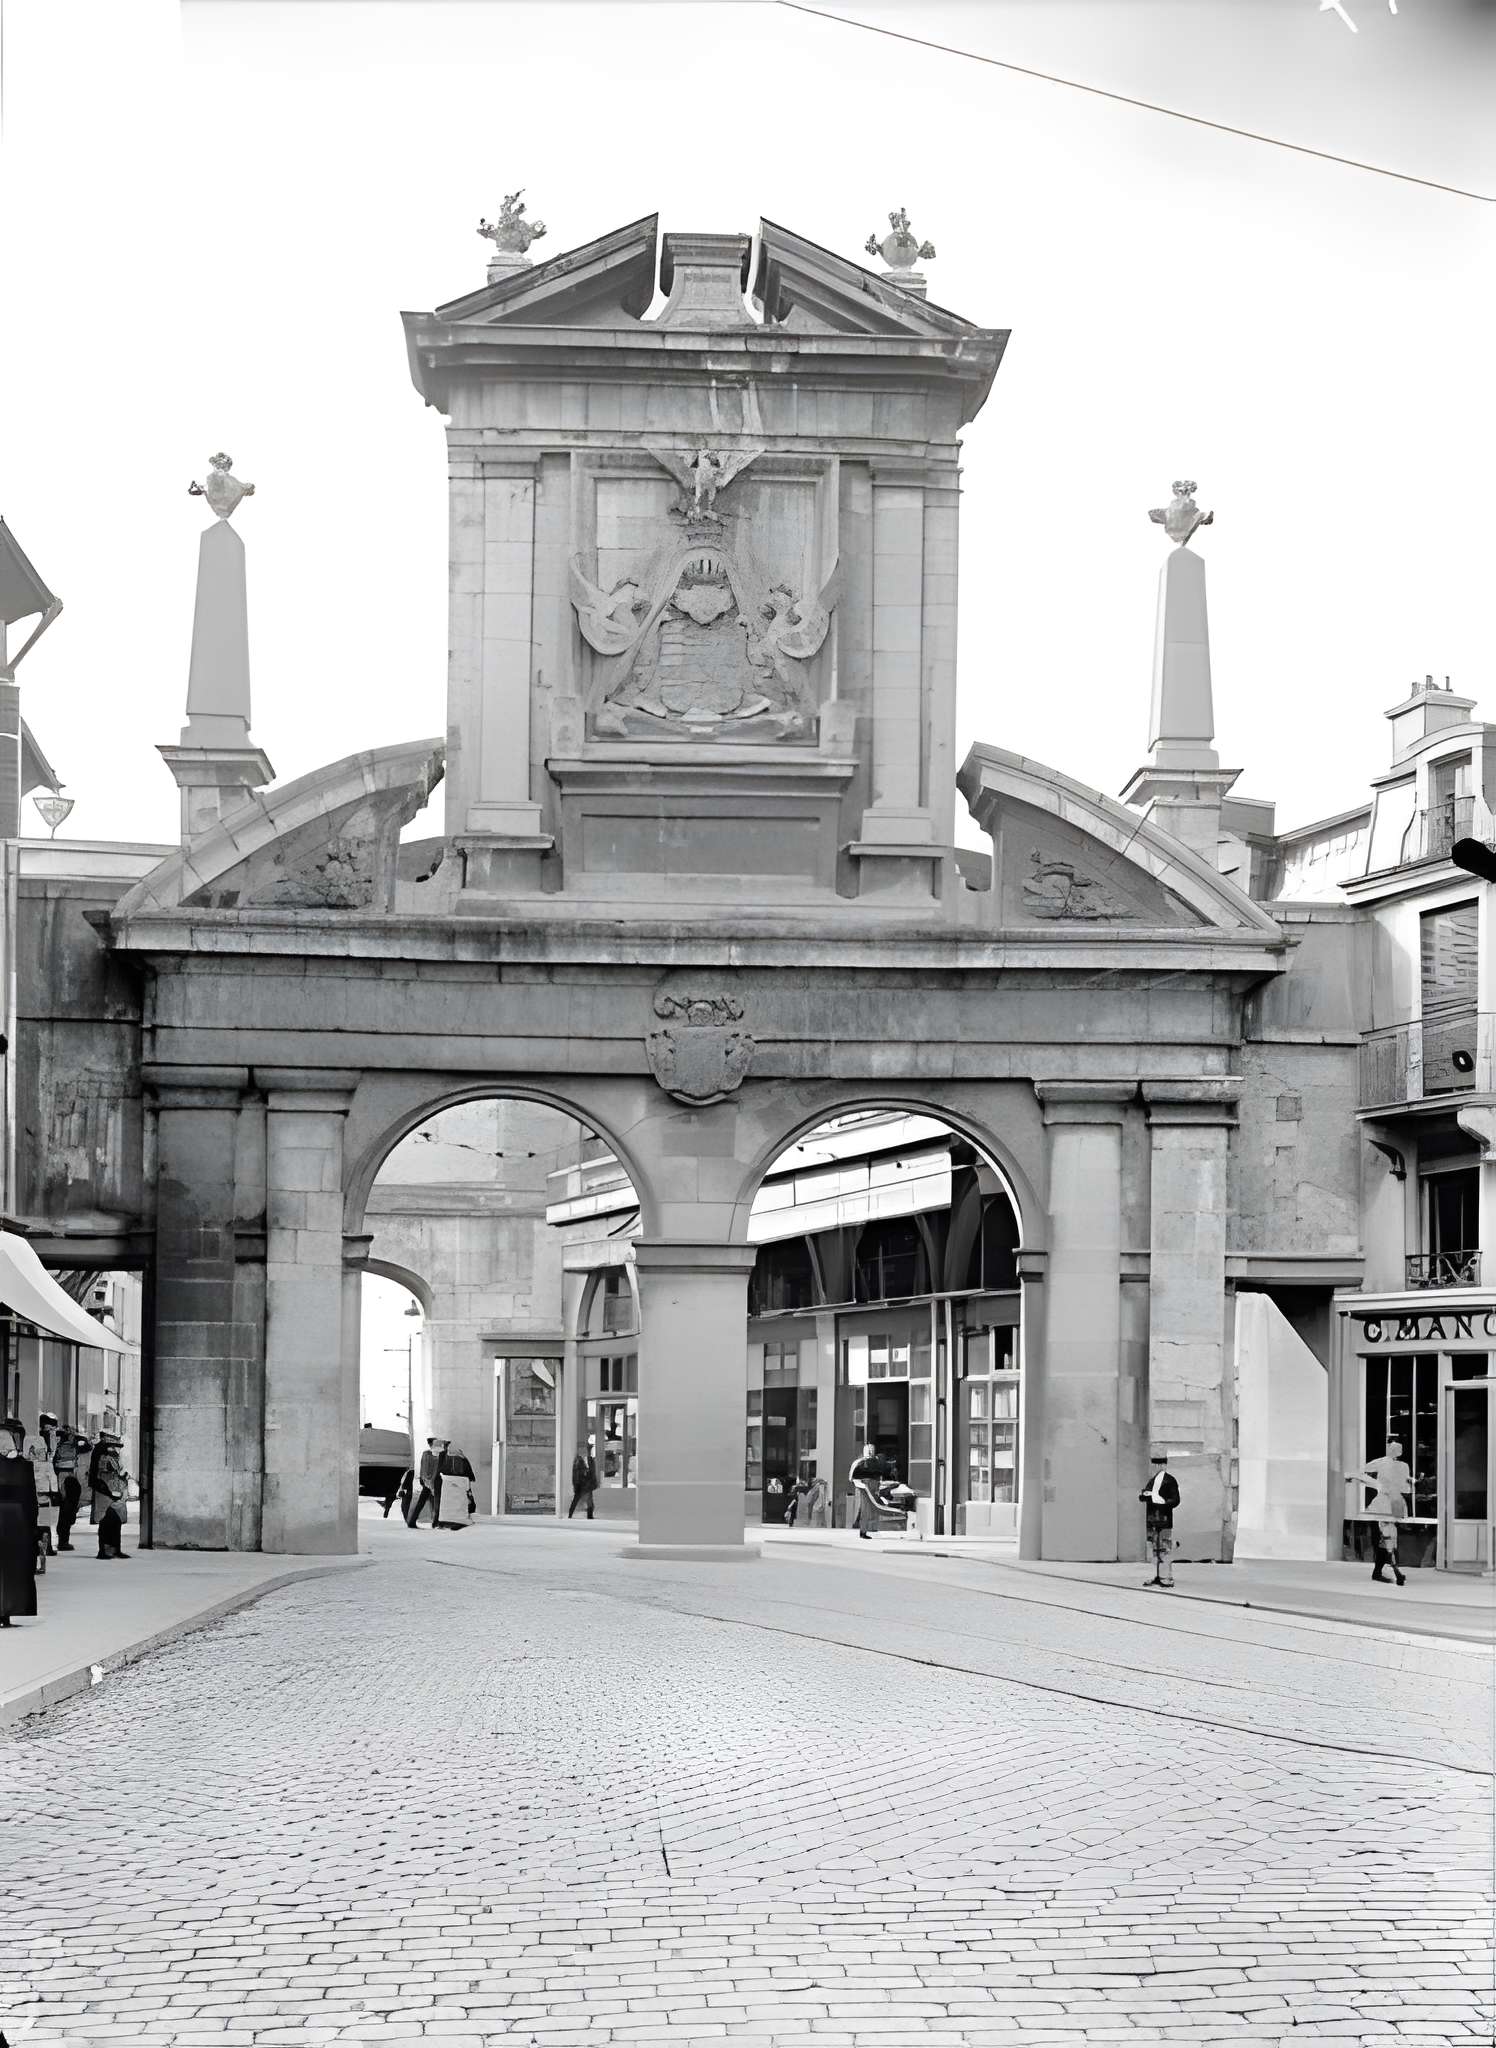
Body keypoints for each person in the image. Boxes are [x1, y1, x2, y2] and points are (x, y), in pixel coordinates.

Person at [0, 1418, 38, 1626]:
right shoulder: (24, 1467)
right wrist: (33, 1526)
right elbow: (31, 1499)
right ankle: (10, 1611)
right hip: (17, 1519)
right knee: (14, 1567)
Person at [1360, 1439, 1411, 1585]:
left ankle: (1385, 1571)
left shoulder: (1398, 1465)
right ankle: (1393, 1571)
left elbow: (1406, 1487)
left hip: (1392, 1503)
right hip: (1388, 1503)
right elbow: (1364, 1470)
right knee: (1388, 1538)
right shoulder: (1386, 1463)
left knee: (1388, 1539)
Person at [44, 1414, 85, 1551]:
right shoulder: (56, 1439)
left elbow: (87, 1445)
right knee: (67, 1509)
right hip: (63, 1475)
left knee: (67, 1509)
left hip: (64, 1475)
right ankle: (62, 1540)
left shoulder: (64, 1441)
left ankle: (62, 1539)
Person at [1139, 1449, 1180, 1588]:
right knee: (1154, 1549)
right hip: (1152, 1520)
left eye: (1159, 1464)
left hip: (1164, 1520)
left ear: (1164, 1465)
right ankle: (1156, 1575)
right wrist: (1145, 1495)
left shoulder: (1170, 1480)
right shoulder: (1152, 1481)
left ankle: (1166, 1577)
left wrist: (1162, 1502)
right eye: (1154, 1464)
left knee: (1165, 1548)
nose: (1156, 1467)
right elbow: (1143, 1496)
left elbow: (1175, 1500)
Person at [21, 1420, 58, 1564]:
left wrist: (54, 1492)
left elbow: (52, 1479)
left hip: (40, 1495)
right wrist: (54, 1493)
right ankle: (44, 1547)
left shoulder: (26, 1465)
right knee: (42, 1523)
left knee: (42, 1522)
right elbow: (52, 1479)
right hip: (40, 1495)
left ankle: (45, 1547)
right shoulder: (38, 1464)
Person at [89, 1431, 130, 1560]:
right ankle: (104, 1551)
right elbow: (103, 1472)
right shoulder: (102, 1453)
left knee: (115, 1521)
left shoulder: (106, 1452)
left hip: (110, 1490)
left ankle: (114, 1549)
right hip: (104, 1490)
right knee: (106, 1521)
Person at [407, 1436, 444, 1528]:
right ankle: (435, 1522)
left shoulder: (427, 1453)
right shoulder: (431, 1454)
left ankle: (413, 1521)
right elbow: (431, 1469)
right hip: (432, 1481)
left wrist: (424, 1480)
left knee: (423, 1502)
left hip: (426, 1481)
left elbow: (423, 1468)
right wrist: (430, 1484)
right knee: (436, 1502)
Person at [848, 1442, 883, 1540]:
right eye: (869, 1450)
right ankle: (863, 1531)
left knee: (870, 1510)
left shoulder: (876, 1462)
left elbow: (879, 1476)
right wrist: (861, 1485)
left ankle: (865, 1529)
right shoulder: (859, 1462)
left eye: (872, 1449)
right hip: (864, 1488)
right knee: (865, 1510)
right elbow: (851, 1477)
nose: (871, 1451)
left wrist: (878, 1487)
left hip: (873, 1488)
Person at [437, 1444, 476, 1528]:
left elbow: (441, 1470)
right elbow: (469, 1472)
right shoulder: (463, 1460)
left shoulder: (446, 1460)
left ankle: (446, 1519)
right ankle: (460, 1519)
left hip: (447, 1484)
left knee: (447, 1503)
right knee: (461, 1502)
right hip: (461, 1483)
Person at [568, 1442, 598, 1520]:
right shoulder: (578, 1460)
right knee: (576, 1500)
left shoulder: (590, 1459)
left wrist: (593, 1481)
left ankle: (590, 1515)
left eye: (586, 1449)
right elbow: (576, 1474)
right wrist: (576, 1484)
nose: (585, 1451)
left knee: (589, 1500)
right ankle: (570, 1514)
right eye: (583, 1449)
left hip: (588, 1483)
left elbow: (592, 1471)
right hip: (581, 1484)